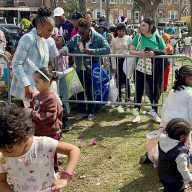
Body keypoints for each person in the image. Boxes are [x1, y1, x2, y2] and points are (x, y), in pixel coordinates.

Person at [0, 106, 80, 192]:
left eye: (9, 149)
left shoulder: (42, 144)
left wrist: (65, 176)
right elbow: (1, 182)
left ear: (21, 137)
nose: (4, 153)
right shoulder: (2, 157)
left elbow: (73, 150)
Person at [11, 7, 55, 107]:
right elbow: (16, 63)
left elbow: (42, 66)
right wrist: (27, 85)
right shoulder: (28, 38)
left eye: (52, 30)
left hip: (39, 89)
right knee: (28, 120)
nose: (51, 33)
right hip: (26, 90)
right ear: (39, 26)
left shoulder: (44, 40)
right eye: (49, 30)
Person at [68, 17, 111, 120]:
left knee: (91, 90)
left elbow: (107, 49)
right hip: (79, 68)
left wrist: (92, 51)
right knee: (79, 90)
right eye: (79, 31)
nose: (81, 34)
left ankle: (92, 110)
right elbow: (68, 46)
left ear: (88, 29)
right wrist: (64, 50)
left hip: (92, 67)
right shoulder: (76, 37)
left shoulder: (97, 37)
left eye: (83, 32)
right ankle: (82, 111)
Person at [130, 18, 167, 123]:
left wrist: (154, 53)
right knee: (138, 90)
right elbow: (131, 50)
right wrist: (140, 53)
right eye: (141, 25)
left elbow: (164, 51)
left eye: (144, 25)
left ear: (150, 27)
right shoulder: (138, 36)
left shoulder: (157, 36)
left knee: (154, 91)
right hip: (140, 68)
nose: (141, 27)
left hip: (154, 67)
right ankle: (136, 115)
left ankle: (154, 114)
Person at [158, 118, 192, 192]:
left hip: (163, 173)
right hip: (175, 181)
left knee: (167, 188)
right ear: (182, 137)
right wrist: (190, 180)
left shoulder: (161, 139)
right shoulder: (180, 153)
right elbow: (183, 170)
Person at [111, 23, 132, 112]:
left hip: (127, 60)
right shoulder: (114, 40)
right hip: (118, 60)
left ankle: (128, 98)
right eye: (119, 31)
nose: (121, 32)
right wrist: (114, 66)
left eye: (123, 31)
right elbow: (112, 53)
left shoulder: (129, 38)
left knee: (127, 79)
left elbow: (131, 50)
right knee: (118, 80)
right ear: (117, 31)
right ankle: (119, 97)